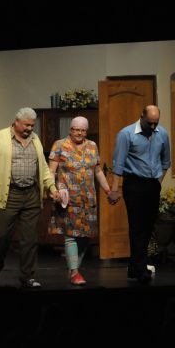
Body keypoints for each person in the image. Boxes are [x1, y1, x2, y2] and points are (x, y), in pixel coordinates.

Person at [0, 107, 60, 288]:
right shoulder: (1, 137)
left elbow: (43, 167)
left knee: (29, 239)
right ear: (16, 122)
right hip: (9, 193)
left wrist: (51, 187)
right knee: (2, 236)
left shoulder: (35, 139)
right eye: (27, 125)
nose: (30, 129)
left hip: (31, 194)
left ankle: (28, 276)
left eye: (32, 125)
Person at [108, 105, 171, 285]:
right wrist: (114, 189)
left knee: (148, 226)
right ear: (141, 116)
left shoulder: (162, 134)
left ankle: (134, 266)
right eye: (149, 123)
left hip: (152, 184)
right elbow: (118, 163)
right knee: (137, 226)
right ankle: (141, 269)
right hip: (134, 184)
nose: (152, 127)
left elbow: (166, 161)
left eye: (155, 123)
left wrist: (158, 183)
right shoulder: (126, 134)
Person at [48, 116, 111, 286]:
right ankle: (75, 272)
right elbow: (51, 171)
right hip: (68, 199)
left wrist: (108, 190)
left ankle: (73, 268)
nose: (79, 133)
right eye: (76, 130)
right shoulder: (59, 145)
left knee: (85, 236)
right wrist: (53, 190)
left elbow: (98, 171)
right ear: (70, 130)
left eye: (83, 130)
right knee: (71, 236)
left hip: (88, 199)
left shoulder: (92, 146)